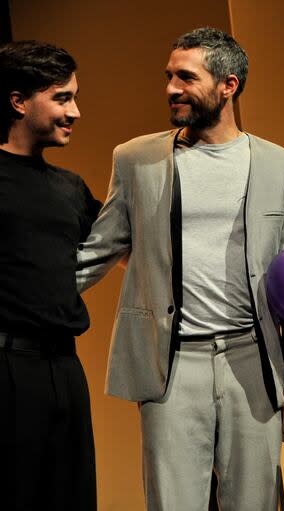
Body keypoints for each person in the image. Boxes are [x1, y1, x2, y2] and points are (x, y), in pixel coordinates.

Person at [76, 27, 284, 510]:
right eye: (169, 76)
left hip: (252, 356)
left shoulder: (279, 165)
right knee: (173, 501)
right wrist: (30, 297)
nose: (171, 88)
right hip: (172, 361)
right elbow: (100, 250)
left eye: (186, 77)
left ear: (229, 85)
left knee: (254, 501)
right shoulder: (137, 158)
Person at [0, 40, 101, 510]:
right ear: (19, 101)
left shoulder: (69, 187)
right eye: (62, 97)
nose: (75, 111)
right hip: (7, 368)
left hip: (65, 366)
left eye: (74, 97)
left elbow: (125, 249)